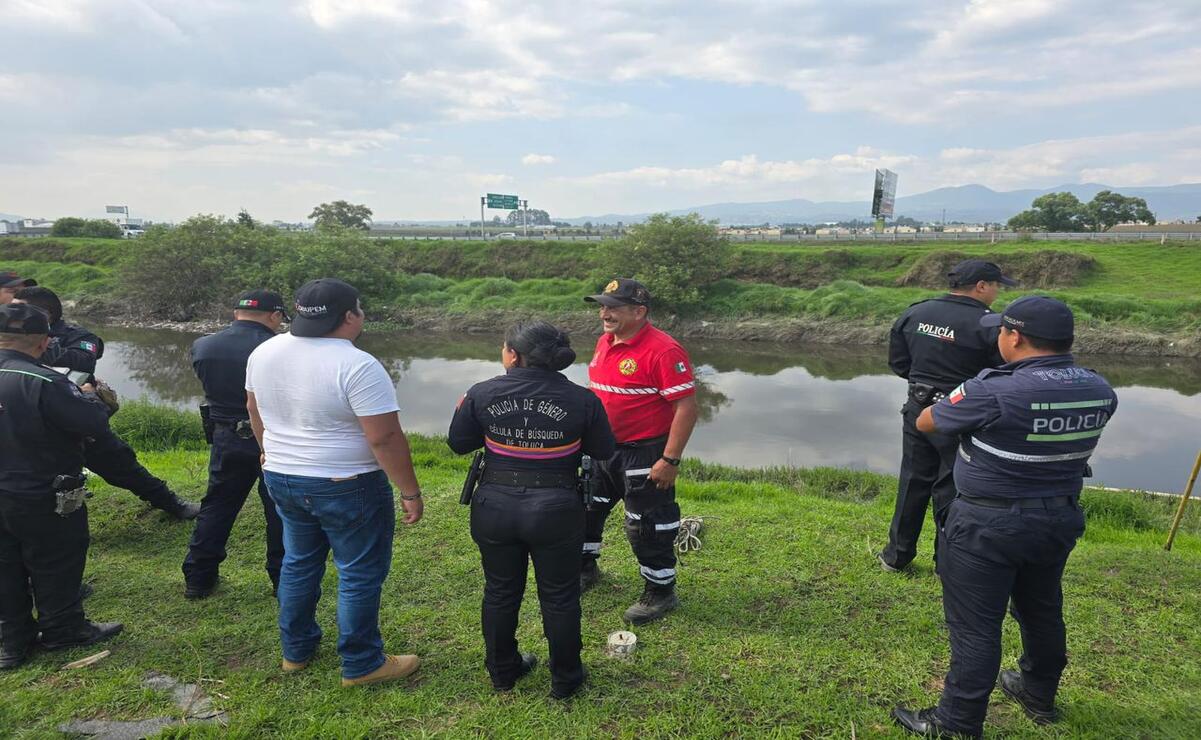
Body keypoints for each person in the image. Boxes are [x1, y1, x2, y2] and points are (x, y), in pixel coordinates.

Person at [893, 296, 1117, 739]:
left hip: (986, 525)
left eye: (1001, 330)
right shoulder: (1098, 389)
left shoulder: (992, 389)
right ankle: (1036, 691)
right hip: (1058, 518)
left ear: (1014, 337)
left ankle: (955, 723)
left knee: (975, 626)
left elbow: (926, 422)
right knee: (1041, 609)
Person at [246, 278, 425, 687]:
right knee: (359, 571)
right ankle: (363, 663)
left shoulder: (265, 350)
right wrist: (409, 491)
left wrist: (267, 449)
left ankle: (296, 652)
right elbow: (384, 437)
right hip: (347, 482)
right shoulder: (357, 364)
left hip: (283, 475)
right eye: (359, 308)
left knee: (298, 562)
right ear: (349, 316)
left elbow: (253, 408)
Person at [448, 321, 615, 699]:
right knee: (559, 595)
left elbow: (459, 443)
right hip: (557, 508)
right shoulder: (584, 399)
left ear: (513, 354)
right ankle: (566, 679)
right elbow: (603, 451)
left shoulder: (482, 392)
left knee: (500, 591)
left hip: (495, 506)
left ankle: (503, 672)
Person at [0, 304, 123, 670]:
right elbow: (92, 424)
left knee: (4, 564)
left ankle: (12, 642)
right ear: (43, 343)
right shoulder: (46, 381)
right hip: (41, 491)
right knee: (57, 560)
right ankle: (63, 629)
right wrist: (89, 396)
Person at [11, 287, 199, 520]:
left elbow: (82, 364)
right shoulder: (11, 338)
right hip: (27, 416)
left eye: (18, 308)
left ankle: (172, 504)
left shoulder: (78, 336)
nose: (11, 312)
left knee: (121, 464)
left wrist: (37, 343)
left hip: (75, 415)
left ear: (45, 313)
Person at [877, 259, 1015, 573]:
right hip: (961, 415)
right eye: (996, 285)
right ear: (981, 286)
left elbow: (899, 364)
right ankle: (947, 564)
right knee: (953, 488)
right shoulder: (990, 325)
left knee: (912, 480)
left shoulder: (916, 312)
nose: (997, 292)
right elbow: (1002, 376)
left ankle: (896, 556)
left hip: (918, 408)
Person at [581, 278, 698, 625]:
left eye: (613, 307)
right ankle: (585, 570)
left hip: (643, 456)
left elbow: (687, 408)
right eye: (602, 306)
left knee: (648, 526)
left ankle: (660, 592)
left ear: (639, 311)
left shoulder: (663, 351)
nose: (604, 313)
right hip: (601, 450)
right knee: (584, 511)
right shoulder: (605, 341)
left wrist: (670, 459)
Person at [181, 290, 288, 599]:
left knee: (217, 506)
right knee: (279, 510)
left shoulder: (203, 345)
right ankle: (282, 582)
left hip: (226, 436)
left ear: (236, 313)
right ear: (275, 316)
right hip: (272, 437)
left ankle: (198, 578)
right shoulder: (278, 348)